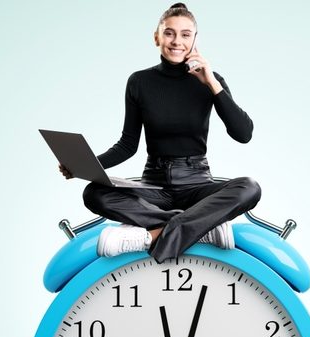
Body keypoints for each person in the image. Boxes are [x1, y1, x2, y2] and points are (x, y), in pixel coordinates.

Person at [59, 3, 261, 263]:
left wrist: (211, 82)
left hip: (197, 184)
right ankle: (198, 229)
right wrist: (83, 166)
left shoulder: (212, 80)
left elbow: (243, 134)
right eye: (169, 33)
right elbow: (127, 145)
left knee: (250, 188)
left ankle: (159, 233)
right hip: (154, 187)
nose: (177, 41)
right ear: (157, 37)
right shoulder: (139, 82)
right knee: (94, 193)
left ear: (195, 40)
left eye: (185, 34)